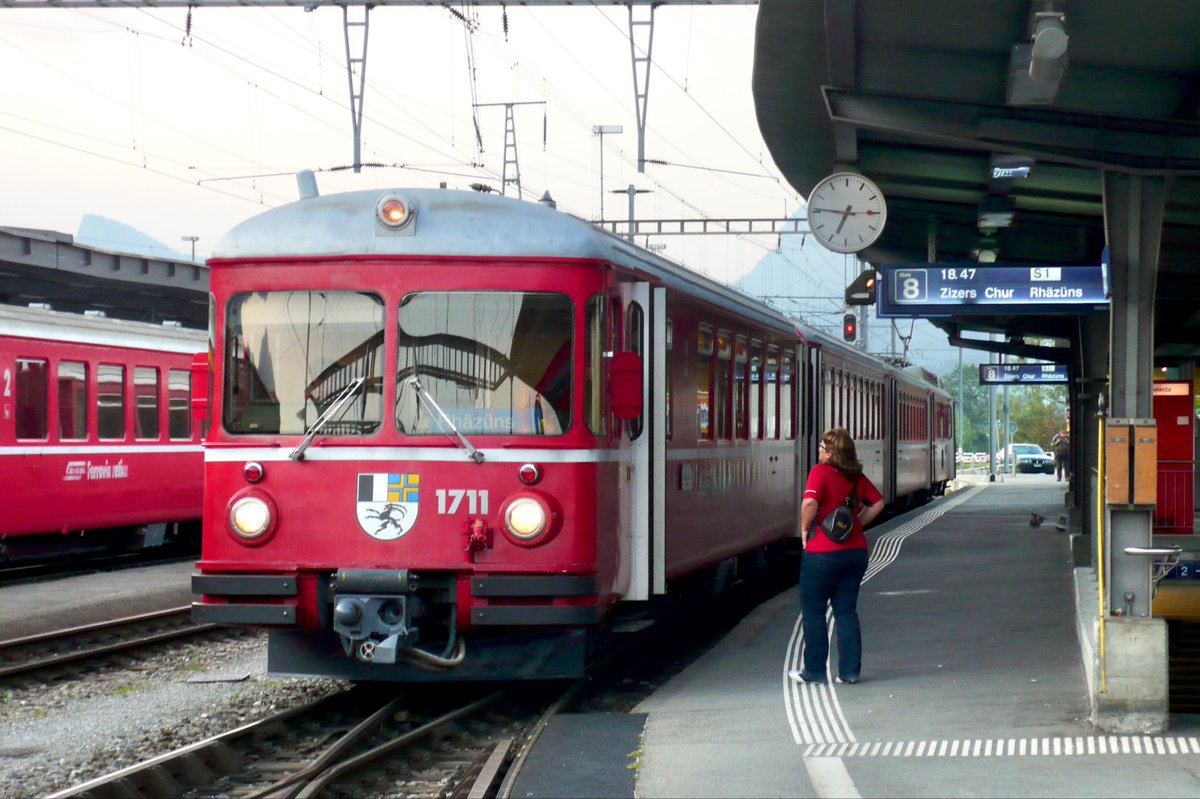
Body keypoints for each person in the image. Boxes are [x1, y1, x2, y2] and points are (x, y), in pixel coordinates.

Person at [790, 428, 884, 685]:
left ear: (830, 454)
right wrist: (856, 525)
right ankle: (849, 672)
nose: (819, 450)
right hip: (855, 554)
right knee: (846, 612)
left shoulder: (820, 472)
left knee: (814, 612)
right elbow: (877, 503)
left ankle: (815, 671)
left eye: (822, 447)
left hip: (822, 554)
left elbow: (810, 503)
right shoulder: (857, 477)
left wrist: (804, 528)